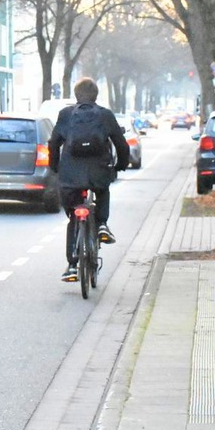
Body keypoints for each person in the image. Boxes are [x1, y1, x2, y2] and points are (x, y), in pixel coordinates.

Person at [47, 77, 132, 282]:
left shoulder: (66, 115)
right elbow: (121, 145)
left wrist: (56, 166)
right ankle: (102, 224)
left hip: (70, 173)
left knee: (74, 215)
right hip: (98, 170)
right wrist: (120, 165)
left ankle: (72, 266)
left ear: (76, 95)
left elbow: (53, 143)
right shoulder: (105, 115)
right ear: (96, 95)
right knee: (102, 190)